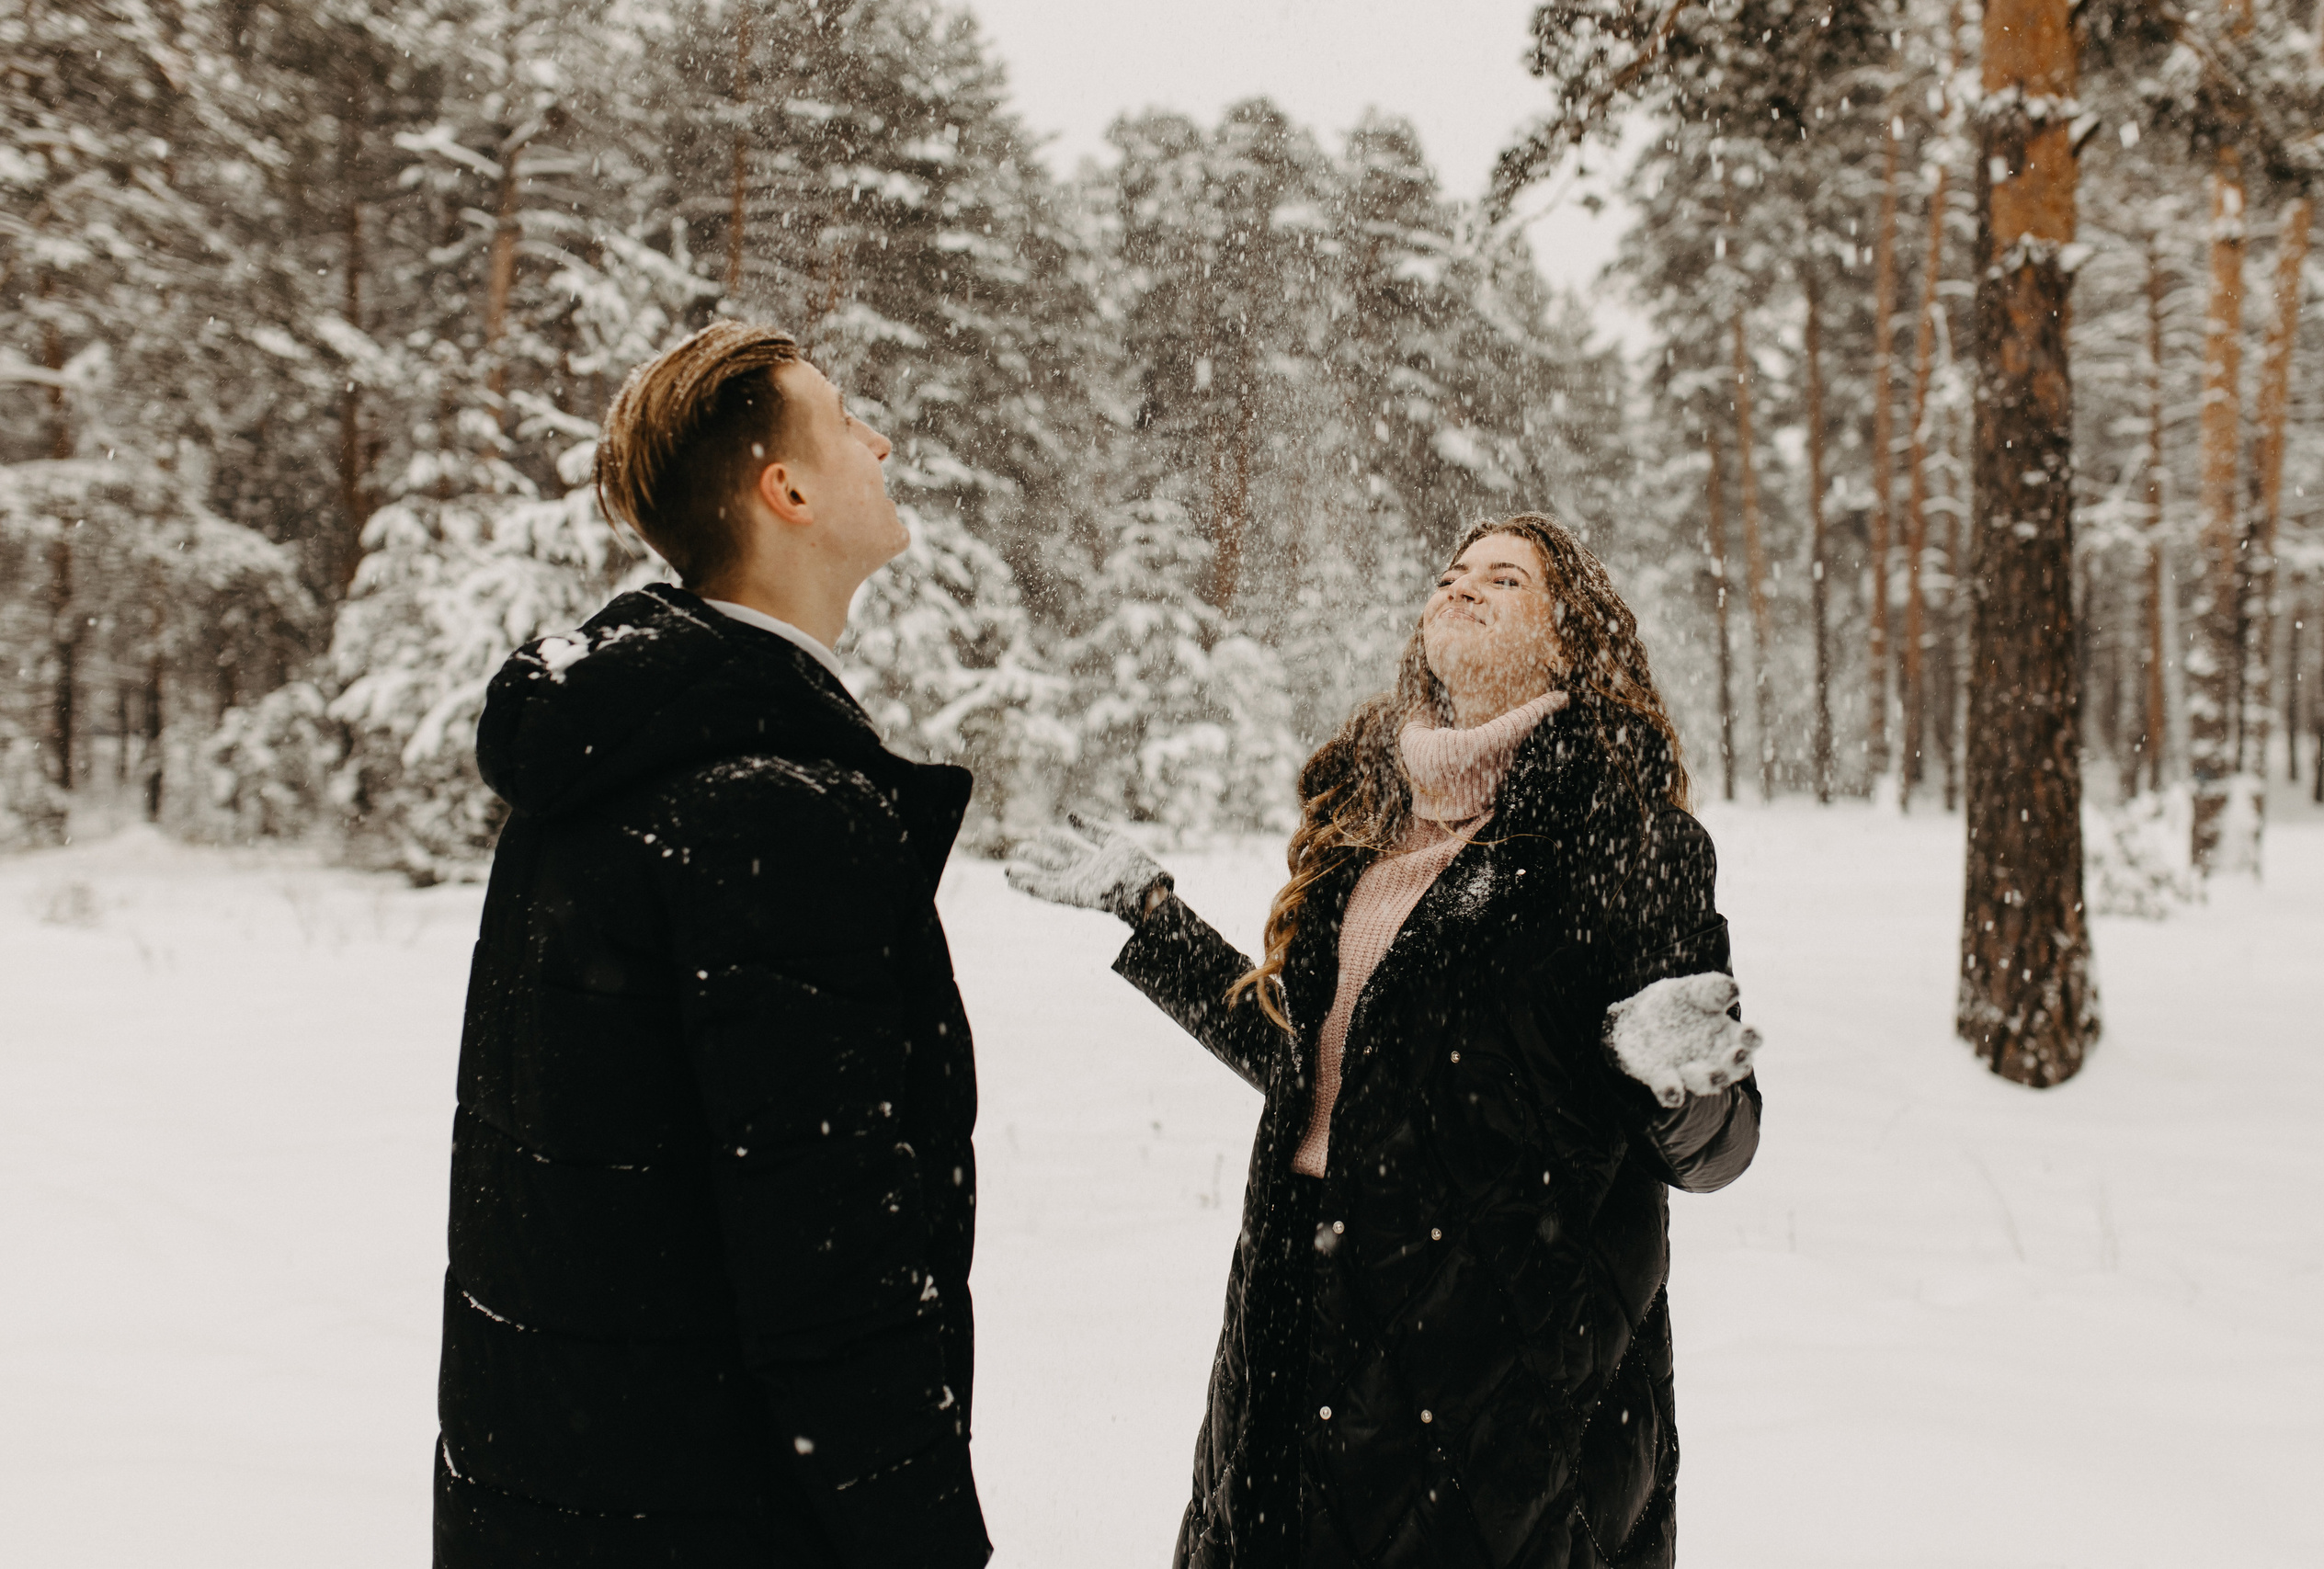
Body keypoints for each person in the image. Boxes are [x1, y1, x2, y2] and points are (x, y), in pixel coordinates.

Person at [1009, 514, 1762, 1568]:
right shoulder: (1369, 827)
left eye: (1505, 580)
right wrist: (1152, 918)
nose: (1461, 588)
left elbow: (1720, 1147)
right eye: (1452, 573)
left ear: (1567, 640)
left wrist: (1679, 1087)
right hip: (1298, 1304)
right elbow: (1317, 1074)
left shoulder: (1626, 834)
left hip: (1503, 1356)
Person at [434, 322, 992, 1568]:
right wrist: (927, 1535)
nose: (880, 440)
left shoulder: (602, 759)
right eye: (848, 422)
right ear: (784, 490)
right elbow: (829, 1254)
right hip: (722, 1514)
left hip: (561, 1501)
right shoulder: (770, 805)